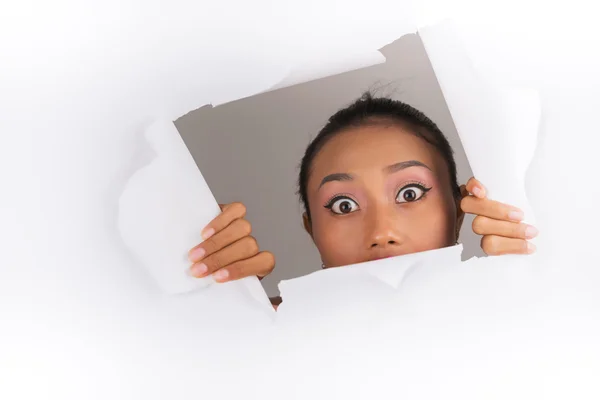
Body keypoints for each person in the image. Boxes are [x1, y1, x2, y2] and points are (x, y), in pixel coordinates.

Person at [186, 93, 539, 310]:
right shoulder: (263, 337)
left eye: (410, 193)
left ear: (459, 210)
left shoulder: (528, 313)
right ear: (311, 229)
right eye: (343, 205)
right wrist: (221, 306)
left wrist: (538, 277)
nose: (381, 232)